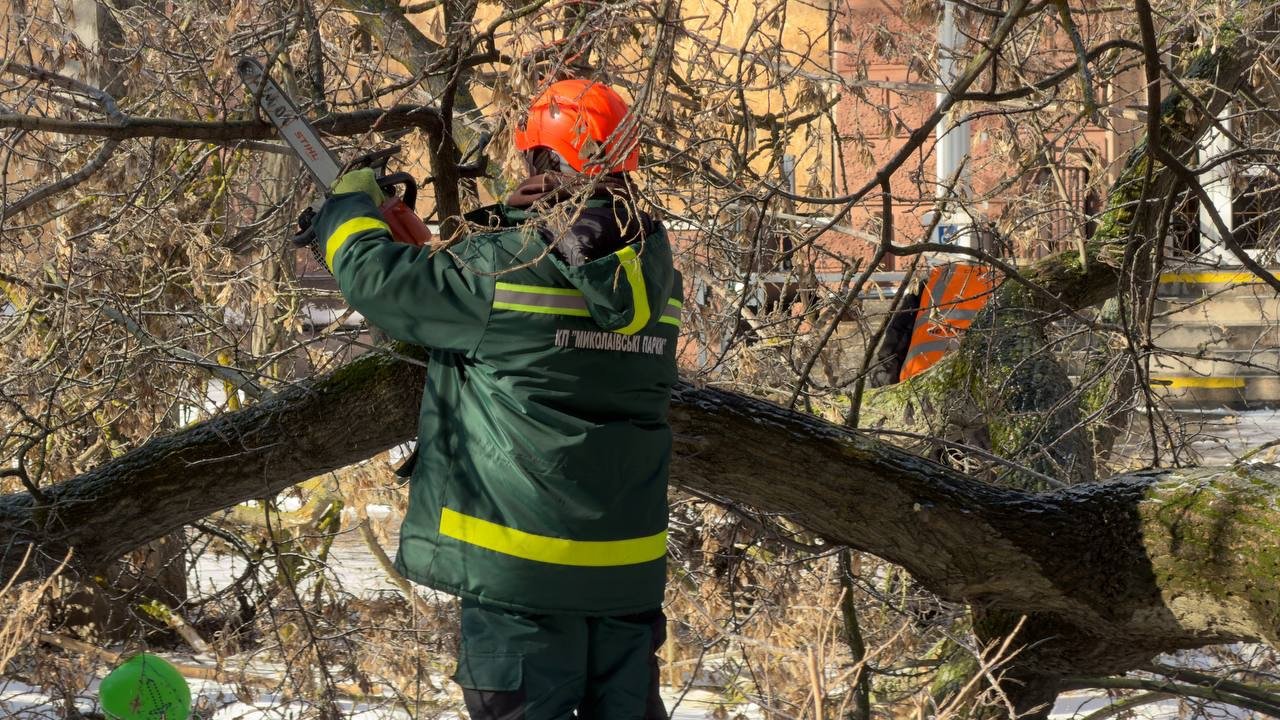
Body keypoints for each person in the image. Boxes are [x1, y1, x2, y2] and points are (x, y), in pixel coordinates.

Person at [311, 79, 681, 720]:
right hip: (627, 574)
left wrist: (346, 212)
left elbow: (379, 282)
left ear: (541, 161)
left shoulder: (503, 266)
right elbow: (553, 322)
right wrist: (487, 232)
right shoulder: (655, 269)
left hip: (519, 577)